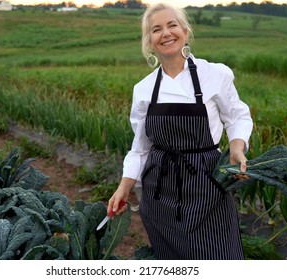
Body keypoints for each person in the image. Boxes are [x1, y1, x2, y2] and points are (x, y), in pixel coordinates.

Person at [108, 3, 253, 260]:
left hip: (206, 189)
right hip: (160, 194)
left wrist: (237, 146)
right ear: (150, 42)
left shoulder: (215, 74)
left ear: (185, 32)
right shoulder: (143, 89)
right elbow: (141, 147)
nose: (166, 33)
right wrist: (125, 185)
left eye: (172, 25)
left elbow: (237, 116)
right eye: (156, 29)